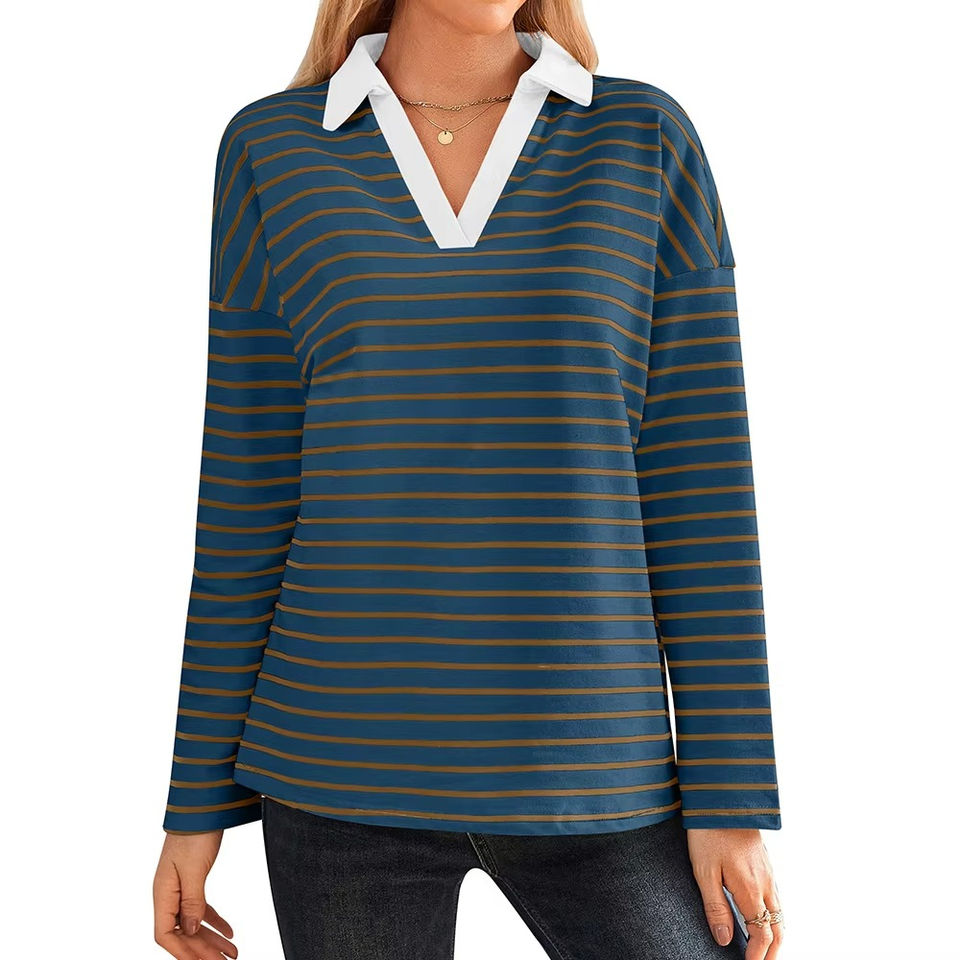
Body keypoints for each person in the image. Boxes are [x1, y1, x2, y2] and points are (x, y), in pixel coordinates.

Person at [152, 1, 786, 958]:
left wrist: (729, 797)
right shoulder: (273, 150)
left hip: (600, 770)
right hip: (335, 773)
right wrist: (194, 802)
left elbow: (700, 493)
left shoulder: (642, 140)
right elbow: (247, 491)